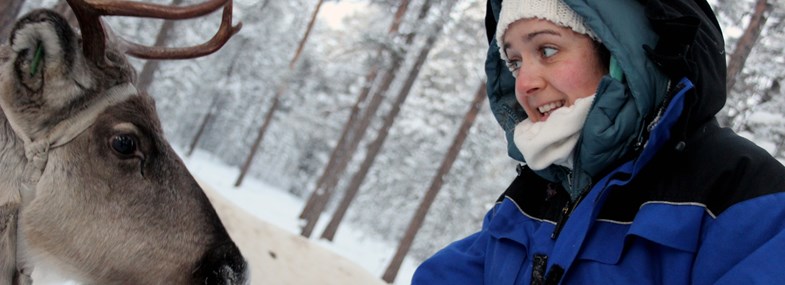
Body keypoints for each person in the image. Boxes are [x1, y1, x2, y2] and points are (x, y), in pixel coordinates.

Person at [412, 0, 785, 284]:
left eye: (546, 50)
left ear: (622, 53)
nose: (524, 84)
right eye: (514, 62)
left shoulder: (744, 194)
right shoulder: (538, 194)